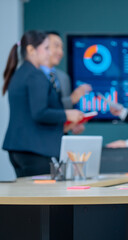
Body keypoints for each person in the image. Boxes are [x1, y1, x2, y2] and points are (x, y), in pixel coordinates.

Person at [2, 30, 83, 177]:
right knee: (45, 198)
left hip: (19, 149)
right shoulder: (36, 75)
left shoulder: (21, 73)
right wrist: (67, 114)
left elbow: (29, 115)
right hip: (36, 150)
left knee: (27, 198)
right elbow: (40, 112)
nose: (49, 53)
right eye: (46, 48)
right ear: (31, 50)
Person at [40, 31, 92, 134]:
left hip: (60, 139)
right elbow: (42, 110)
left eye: (62, 48)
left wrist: (73, 124)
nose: (61, 52)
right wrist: (71, 99)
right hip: (39, 140)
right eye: (56, 46)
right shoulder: (33, 76)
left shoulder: (63, 78)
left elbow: (63, 113)